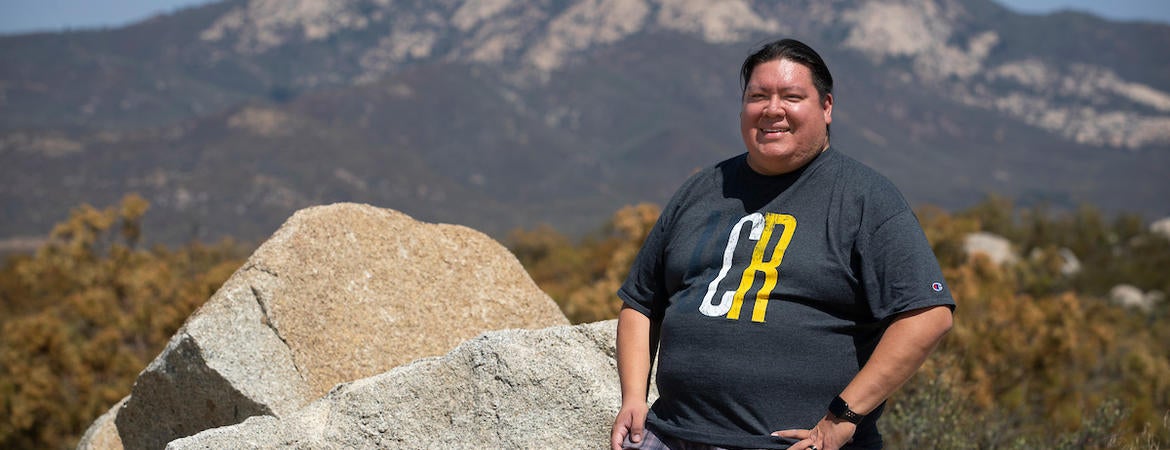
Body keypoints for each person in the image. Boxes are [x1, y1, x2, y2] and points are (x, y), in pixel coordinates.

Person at [609, 38, 955, 450]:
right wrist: (633, 397)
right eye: (758, 96)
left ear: (826, 107)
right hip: (669, 436)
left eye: (792, 96)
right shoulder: (702, 189)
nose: (773, 110)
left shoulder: (864, 198)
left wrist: (842, 418)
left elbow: (928, 315)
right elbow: (641, 302)